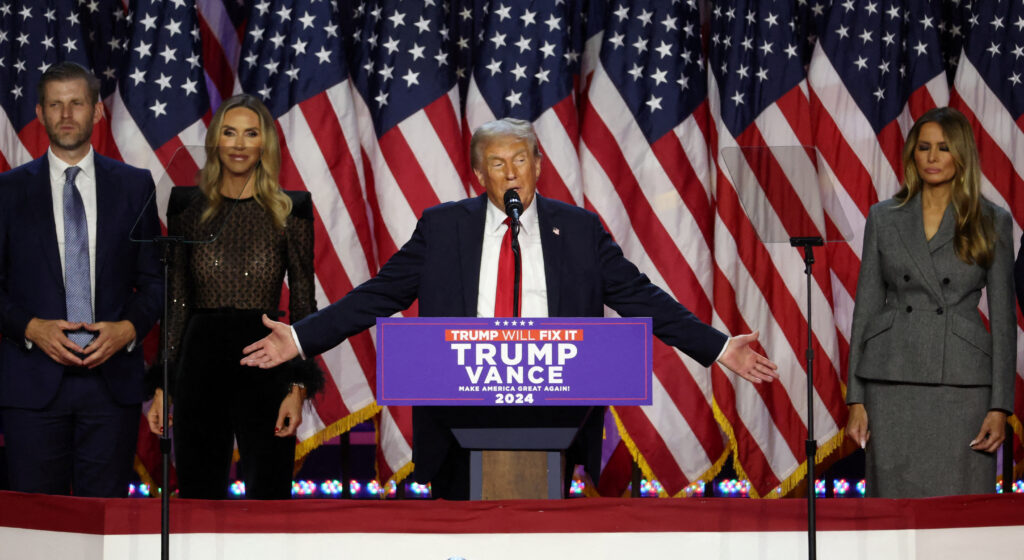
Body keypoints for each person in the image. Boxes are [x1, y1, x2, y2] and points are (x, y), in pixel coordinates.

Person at [240, 118, 778, 499]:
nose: (511, 171)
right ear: (480, 175)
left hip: (553, 413)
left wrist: (718, 346)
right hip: (460, 413)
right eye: (498, 163)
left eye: (521, 159)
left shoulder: (581, 231)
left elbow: (641, 296)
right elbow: (379, 294)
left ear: (539, 166)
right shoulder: (443, 227)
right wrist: (302, 337)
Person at [144, 94, 320, 499]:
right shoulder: (186, 206)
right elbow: (177, 302)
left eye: (251, 134)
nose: (239, 144)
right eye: (229, 132)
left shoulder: (291, 209)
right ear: (215, 142)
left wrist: (298, 387)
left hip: (267, 359)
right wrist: (163, 385)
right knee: (197, 493)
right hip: (200, 362)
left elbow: (305, 308)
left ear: (265, 145)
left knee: (269, 494)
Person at [0, 62, 163, 496]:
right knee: (37, 525)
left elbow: (155, 281)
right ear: (39, 113)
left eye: (77, 103)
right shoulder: (7, 191)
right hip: (32, 384)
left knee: (105, 524)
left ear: (97, 112)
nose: (66, 114)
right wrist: (30, 327)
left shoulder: (134, 186)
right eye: (56, 104)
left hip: (110, 386)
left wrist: (128, 329)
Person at [846, 107, 1015, 498]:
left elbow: (1005, 323)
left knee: (960, 513)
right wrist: (856, 397)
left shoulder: (992, 220)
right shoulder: (884, 217)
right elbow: (866, 309)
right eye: (924, 148)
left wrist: (1000, 407)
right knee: (893, 511)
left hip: (962, 383)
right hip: (890, 381)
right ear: (912, 154)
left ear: (961, 155)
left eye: (943, 148)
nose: (933, 157)